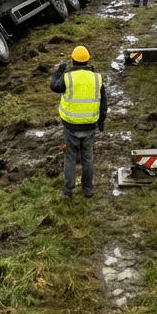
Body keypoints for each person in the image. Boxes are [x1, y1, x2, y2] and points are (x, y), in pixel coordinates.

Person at [50, 46, 107, 199]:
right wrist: (101, 122)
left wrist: (60, 70)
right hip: (89, 126)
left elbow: (53, 86)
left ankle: (68, 191)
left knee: (70, 157)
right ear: (88, 60)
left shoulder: (67, 78)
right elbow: (103, 104)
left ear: (73, 61)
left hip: (70, 126)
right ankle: (88, 190)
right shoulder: (97, 78)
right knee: (88, 158)